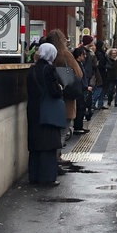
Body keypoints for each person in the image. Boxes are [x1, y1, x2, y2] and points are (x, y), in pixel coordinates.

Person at [26, 43, 64, 186]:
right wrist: (60, 88)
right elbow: (54, 91)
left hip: (33, 109)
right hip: (47, 111)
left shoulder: (32, 69)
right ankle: (47, 177)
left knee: (35, 145)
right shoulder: (49, 69)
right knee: (48, 144)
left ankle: (34, 176)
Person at [45, 29, 83, 162]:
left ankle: (52, 157)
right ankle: (57, 158)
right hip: (66, 99)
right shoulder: (65, 54)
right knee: (63, 130)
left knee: (52, 132)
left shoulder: (46, 55)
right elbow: (78, 74)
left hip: (50, 99)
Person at [71, 47, 91, 135]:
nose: (85, 56)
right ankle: (77, 127)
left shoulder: (80, 64)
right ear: (79, 56)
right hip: (79, 89)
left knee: (81, 108)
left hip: (81, 88)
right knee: (80, 108)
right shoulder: (76, 65)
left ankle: (79, 126)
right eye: (83, 55)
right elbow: (79, 78)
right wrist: (85, 87)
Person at [93, 40, 108, 109]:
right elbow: (101, 64)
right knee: (100, 88)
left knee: (101, 88)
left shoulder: (99, 53)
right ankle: (94, 103)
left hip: (101, 72)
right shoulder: (100, 54)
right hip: (101, 73)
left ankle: (100, 103)